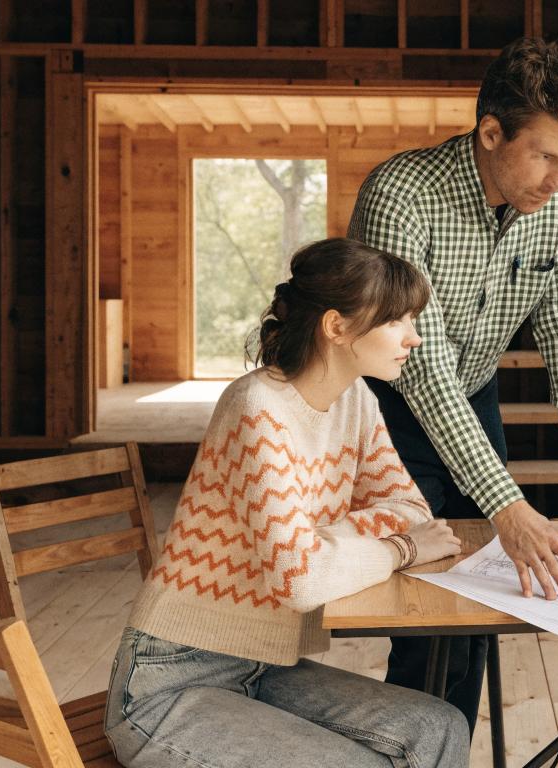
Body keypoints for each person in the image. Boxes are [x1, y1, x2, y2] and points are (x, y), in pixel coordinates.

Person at [347, 37, 558, 728]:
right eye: (545, 155)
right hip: (387, 406)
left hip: (474, 395)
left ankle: (450, 746)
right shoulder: (401, 196)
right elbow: (422, 368)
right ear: (491, 133)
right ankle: (418, 748)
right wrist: (507, 505)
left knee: (480, 608)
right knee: (426, 613)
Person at [104, 238, 470, 768]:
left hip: (263, 663)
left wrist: (320, 545)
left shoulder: (355, 400)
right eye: (397, 320)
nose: (414, 337)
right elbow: (302, 580)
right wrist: (399, 550)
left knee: (440, 725)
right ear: (336, 326)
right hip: (169, 684)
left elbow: (410, 509)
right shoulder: (257, 407)